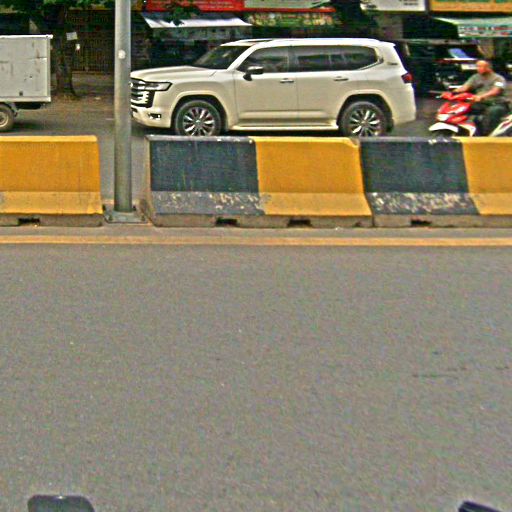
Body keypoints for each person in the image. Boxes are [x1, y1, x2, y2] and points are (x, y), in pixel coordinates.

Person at [455, 60, 509, 134]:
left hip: (497, 104)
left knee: (492, 112)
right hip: (481, 103)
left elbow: (496, 91)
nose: (478, 68)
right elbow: (465, 87)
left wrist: (482, 96)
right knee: (462, 108)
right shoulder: (475, 77)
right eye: (477, 66)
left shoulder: (499, 78)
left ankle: (487, 134)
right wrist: (454, 92)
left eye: (481, 66)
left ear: (488, 67)